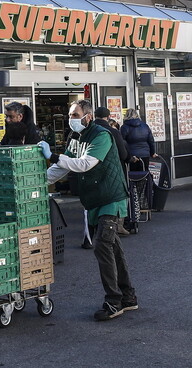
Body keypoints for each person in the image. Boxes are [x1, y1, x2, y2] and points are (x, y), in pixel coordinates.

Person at [38, 99, 138, 321]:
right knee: (112, 247)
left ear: (88, 117)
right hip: (94, 199)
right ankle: (128, 297)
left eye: (75, 115)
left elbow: (84, 164)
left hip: (111, 197)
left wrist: (53, 156)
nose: (71, 119)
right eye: (70, 115)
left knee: (102, 245)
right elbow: (61, 167)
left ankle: (114, 301)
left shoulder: (102, 136)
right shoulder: (75, 138)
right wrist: (38, 182)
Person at [93, 107, 131, 237]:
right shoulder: (113, 132)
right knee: (116, 197)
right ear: (108, 117)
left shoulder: (89, 131)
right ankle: (117, 225)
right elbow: (123, 154)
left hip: (91, 171)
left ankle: (95, 226)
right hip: (113, 170)